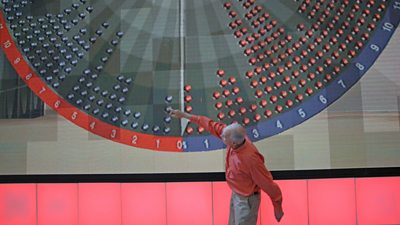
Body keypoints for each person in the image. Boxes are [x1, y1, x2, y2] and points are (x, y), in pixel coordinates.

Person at [169, 109, 284, 225]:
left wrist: (277, 206)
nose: (221, 136)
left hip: (247, 200)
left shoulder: (251, 159)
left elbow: (268, 184)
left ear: (234, 143)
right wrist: (184, 115)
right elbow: (209, 124)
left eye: (224, 137)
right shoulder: (231, 135)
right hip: (237, 194)